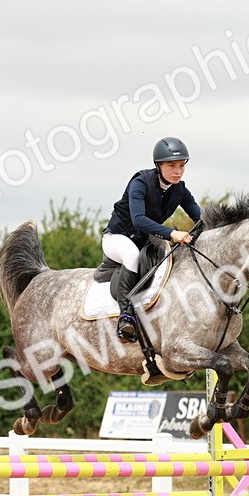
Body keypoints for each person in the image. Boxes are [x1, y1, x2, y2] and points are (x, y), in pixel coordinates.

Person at [102, 136, 202, 342]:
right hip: (117, 237)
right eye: (171, 165)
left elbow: (201, 218)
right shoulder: (140, 182)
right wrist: (172, 233)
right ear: (159, 165)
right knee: (131, 255)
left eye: (182, 165)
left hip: (145, 241)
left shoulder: (180, 190)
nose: (178, 171)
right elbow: (138, 219)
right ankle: (126, 316)